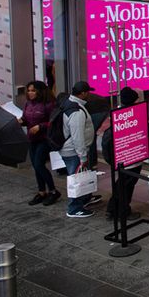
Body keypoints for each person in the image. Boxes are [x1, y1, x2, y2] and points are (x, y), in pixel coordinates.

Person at [99, 87, 141, 221]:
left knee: (121, 184)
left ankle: (113, 209)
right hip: (131, 156)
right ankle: (121, 210)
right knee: (125, 185)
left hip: (122, 156)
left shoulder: (117, 113)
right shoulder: (134, 113)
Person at [61, 81, 97, 216]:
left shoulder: (71, 103)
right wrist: (82, 156)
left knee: (80, 175)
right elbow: (78, 137)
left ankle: (84, 198)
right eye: (88, 92)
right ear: (82, 93)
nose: (89, 94)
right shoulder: (76, 112)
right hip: (73, 151)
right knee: (75, 179)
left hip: (71, 149)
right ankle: (74, 208)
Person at [19, 80, 58, 205]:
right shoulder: (28, 104)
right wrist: (21, 121)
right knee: (36, 166)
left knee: (39, 164)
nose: (30, 93)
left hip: (44, 139)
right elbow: (26, 118)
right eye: (29, 90)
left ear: (40, 91)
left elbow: (53, 122)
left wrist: (40, 127)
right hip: (32, 139)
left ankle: (53, 191)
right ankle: (41, 191)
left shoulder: (49, 104)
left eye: (33, 90)